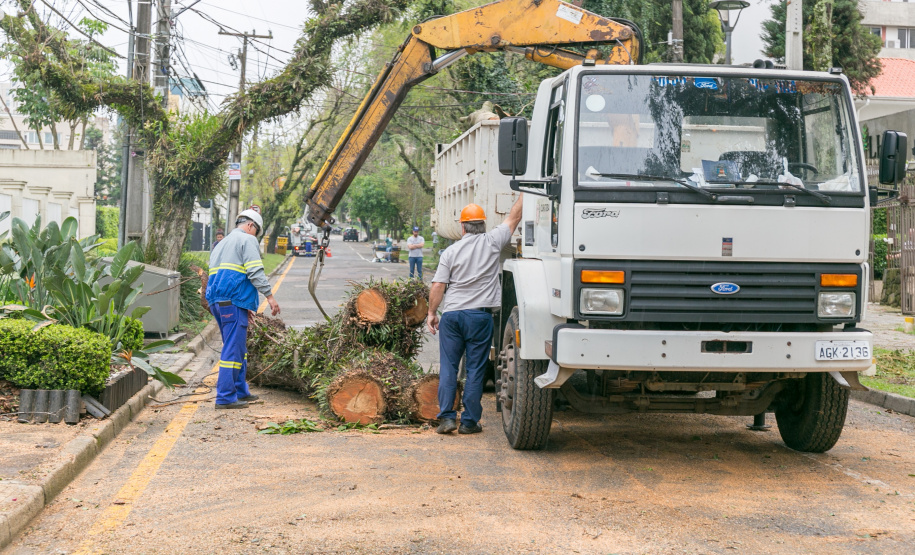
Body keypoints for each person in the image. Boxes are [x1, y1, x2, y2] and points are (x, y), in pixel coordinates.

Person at [427, 195, 523, 434]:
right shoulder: (492, 241)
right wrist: (525, 190)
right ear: (483, 224)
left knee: (449, 367)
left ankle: (447, 419)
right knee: (475, 370)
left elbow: (438, 285)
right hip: (479, 318)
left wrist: (431, 313)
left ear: (462, 227)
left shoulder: (450, 251)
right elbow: (514, 216)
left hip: (452, 317)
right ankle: (469, 422)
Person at [206, 209, 281, 409]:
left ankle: (240, 390)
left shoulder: (221, 244)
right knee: (232, 348)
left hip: (218, 301)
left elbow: (225, 275)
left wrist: (245, 305)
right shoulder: (247, 240)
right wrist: (270, 296)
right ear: (250, 226)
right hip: (232, 301)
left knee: (238, 347)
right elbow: (254, 271)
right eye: (255, 232)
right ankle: (225, 397)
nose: (254, 236)